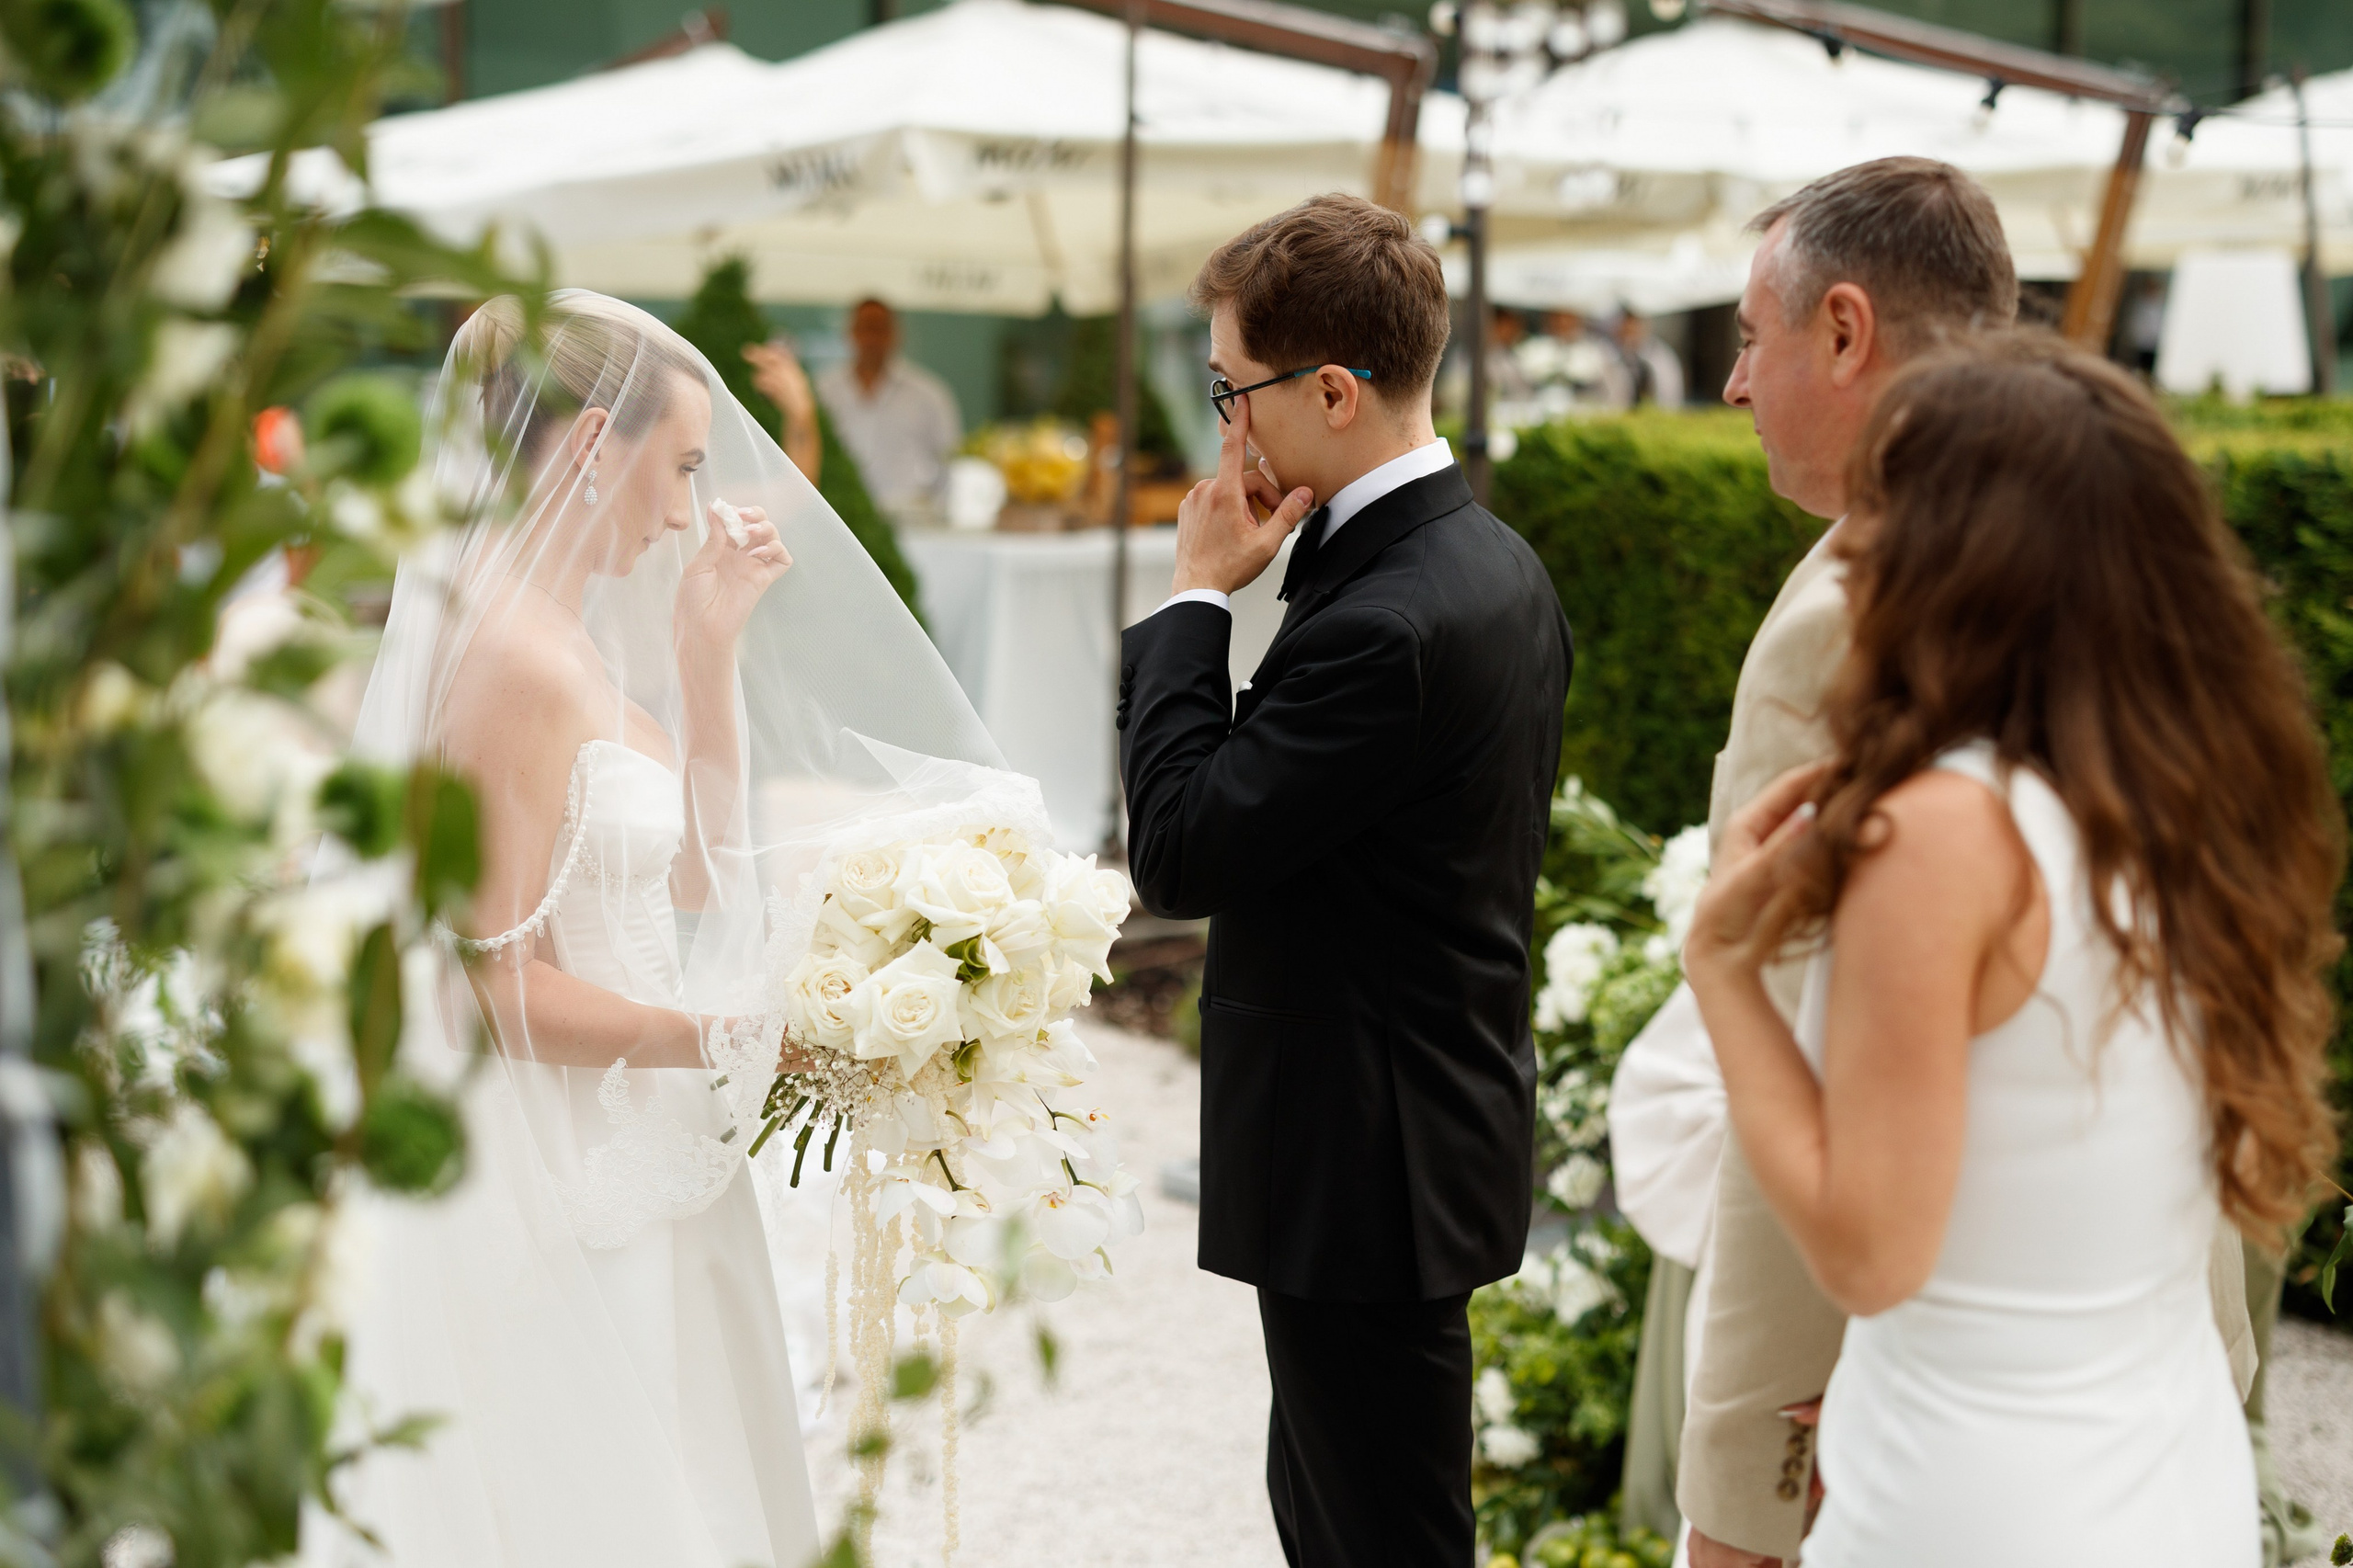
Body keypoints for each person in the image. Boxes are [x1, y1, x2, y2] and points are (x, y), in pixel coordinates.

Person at [1599, 157, 2258, 1568]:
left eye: (1748, 337)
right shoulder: (2147, 644)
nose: (1732, 385)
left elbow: (1809, 1059)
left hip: (1949, 1458)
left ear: (1844, 331)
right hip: (2158, 1412)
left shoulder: (1856, 613)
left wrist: (1743, 1479)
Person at [308, 291, 1006, 1567]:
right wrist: (733, 1031)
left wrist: (705, 656)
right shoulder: (508, 658)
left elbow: (689, 877)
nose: (688, 508)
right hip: (566, 1168)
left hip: (646, 1133)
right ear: (587, 448)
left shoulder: (561, 632)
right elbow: (492, 994)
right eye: (679, 466)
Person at [1684, 333, 2340, 1565]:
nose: (1851, 555)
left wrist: (1722, 971)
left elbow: (1870, 1252)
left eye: (1877, 516)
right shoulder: (2189, 807)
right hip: (2169, 1474)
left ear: (1948, 554)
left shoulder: (1944, 832)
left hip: (1977, 1499)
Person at [1117, 194, 1574, 1567]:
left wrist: (1199, 596)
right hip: (1405, 1136)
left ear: (1331, 388)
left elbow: (1181, 847)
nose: (1224, 427)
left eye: (1229, 389)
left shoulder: (1390, 616)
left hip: (1365, 1161)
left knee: (1378, 1537)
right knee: (1345, 1519)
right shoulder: (1487, 562)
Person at [813, 297, 961, 525]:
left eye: (879, 329)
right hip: (839, 519)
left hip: (910, 525)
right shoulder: (823, 391)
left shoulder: (929, 395)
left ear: (896, 334)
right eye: (865, 328)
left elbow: (950, 462)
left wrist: (938, 516)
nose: (872, 338)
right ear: (850, 333)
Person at [1614, 308, 1687, 407]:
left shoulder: (1661, 358)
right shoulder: (1616, 355)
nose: (1629, 335)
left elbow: (1670, 395)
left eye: (1632, 329)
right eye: (1626, 330)